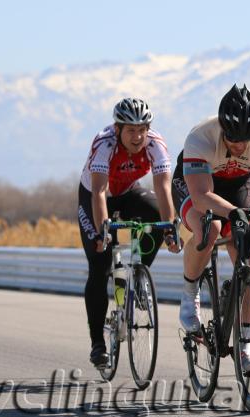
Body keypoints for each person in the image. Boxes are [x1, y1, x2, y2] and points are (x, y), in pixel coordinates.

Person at [171, 84, 250, 371]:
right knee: (208, 229)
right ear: (221, 127)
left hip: (236, 186)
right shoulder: (200, 137)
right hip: (196, 185)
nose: (238, 146)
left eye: (245, 140)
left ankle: (246, 345)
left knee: (248, 255)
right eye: (232, 139)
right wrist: (234, 213)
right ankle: (190, 296)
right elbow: (200, 196)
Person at [78, 97, 180, 367]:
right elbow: (99, 192)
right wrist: (104, 232)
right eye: (131, 131)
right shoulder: (104, 144)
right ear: (118, 129)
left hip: (127, 191)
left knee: (159, 216)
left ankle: (138, 274)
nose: (137, 137)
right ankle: (98, 343)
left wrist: (170, 228)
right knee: (99, 264)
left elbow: (163, 189)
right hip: (95, 196)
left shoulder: (156, 145)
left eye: (142, 130)